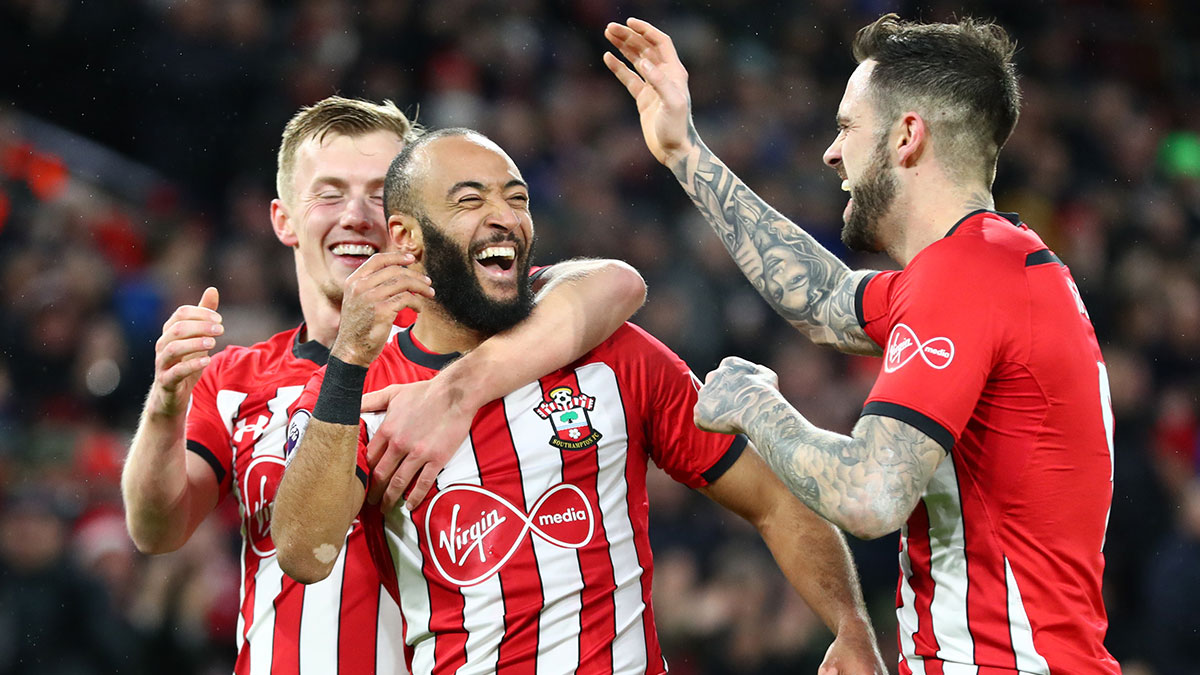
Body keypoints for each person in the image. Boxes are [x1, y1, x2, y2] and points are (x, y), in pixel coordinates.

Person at [605, 14, 1120, 673]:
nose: (830, 152)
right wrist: (684, 152)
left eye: (847, 127)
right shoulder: (1000, 266)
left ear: (907, 137)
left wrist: (754, 404)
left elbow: (870, 496)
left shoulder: (963, 279)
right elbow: (821, 299)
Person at [272, 127, 886, 675]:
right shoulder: (362, 386)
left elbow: (776, 499)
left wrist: (851, 626)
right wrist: (348, 361)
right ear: (406, 237)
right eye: (470, 200)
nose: (503, 216)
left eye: (516, 198)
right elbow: (303, 551)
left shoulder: (612, 356)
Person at [120, 97, 649, 675]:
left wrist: (458, 389)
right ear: (283, 219)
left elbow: (613, 285)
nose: (357, 216)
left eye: (380, 193)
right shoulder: (234, 380)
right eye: (328, 193)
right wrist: (166, 405)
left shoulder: (473, 335)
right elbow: (156, 529)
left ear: (410, 222)